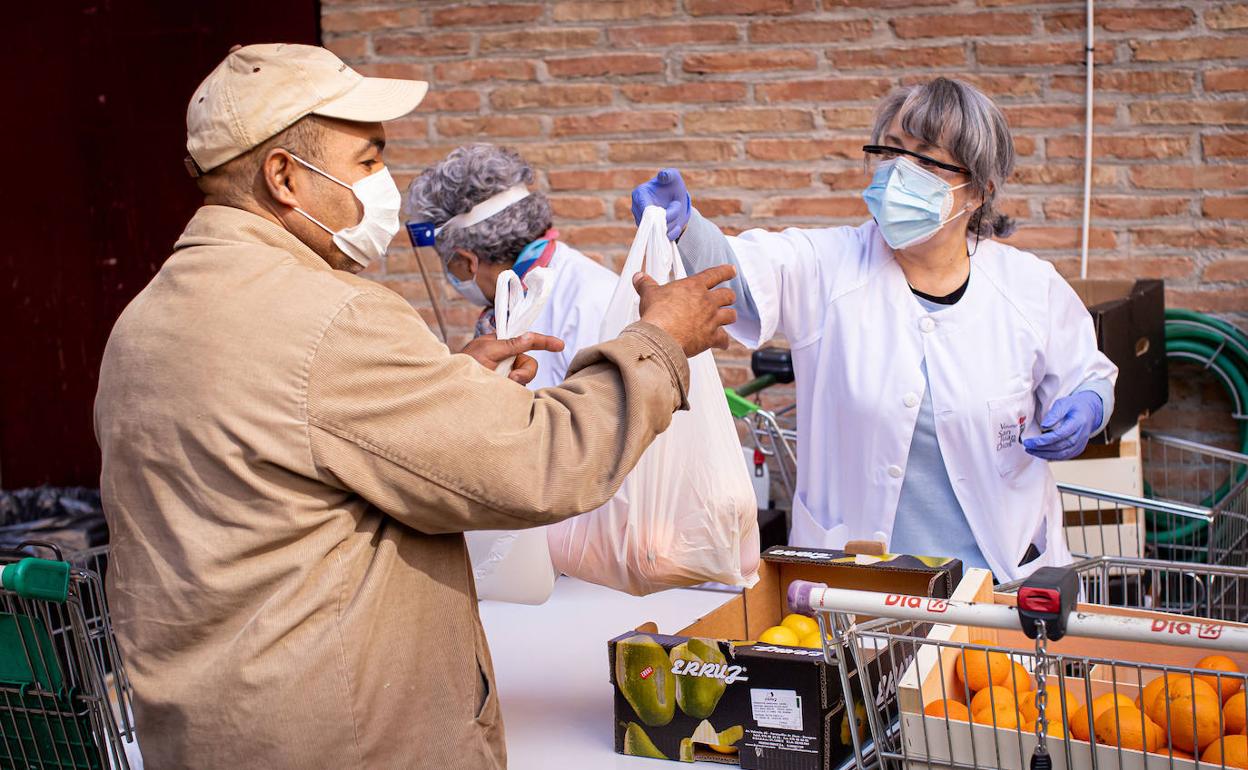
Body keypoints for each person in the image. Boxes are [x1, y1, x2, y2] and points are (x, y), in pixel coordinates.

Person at [94, 43, 737, 769]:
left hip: (212, 731)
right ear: (284, 177)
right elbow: (543, 463)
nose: (384, 186)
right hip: (343, 740)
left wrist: (448, 386)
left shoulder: (143, 324)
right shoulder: (329, 319)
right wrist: (660, 344)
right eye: (368, 162)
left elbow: (288, 463)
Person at [631, 77, 1117, 582]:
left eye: (927, 160)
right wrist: (685, 227)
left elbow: (1087, 373)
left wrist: (1088, 405)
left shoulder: (1029, 287)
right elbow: (739, 274)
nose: (900, 172)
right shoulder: (828, 265)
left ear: (979, 189)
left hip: (999, 583)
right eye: (892, 151)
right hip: (860, 591)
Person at [404, 144, 618, 388]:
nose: (449, 274)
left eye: (448, 263)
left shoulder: (590, 301)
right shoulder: (519, 298)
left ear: (466, 261)